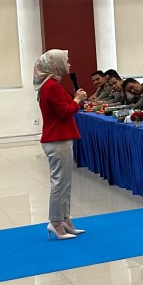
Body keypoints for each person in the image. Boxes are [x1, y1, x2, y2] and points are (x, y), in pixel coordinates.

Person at [35, 49, 88, 240]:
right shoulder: (51, 86)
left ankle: (64, 218)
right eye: (66, 61)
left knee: (65, 183)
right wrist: (76, 100)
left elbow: (67, 107)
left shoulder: (52, 85)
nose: (69, 65)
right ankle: (55, 222)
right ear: (55, 64)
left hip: (61, 138)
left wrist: (76, 99)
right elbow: (65, 112)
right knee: (59, 183)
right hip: (57, 140)